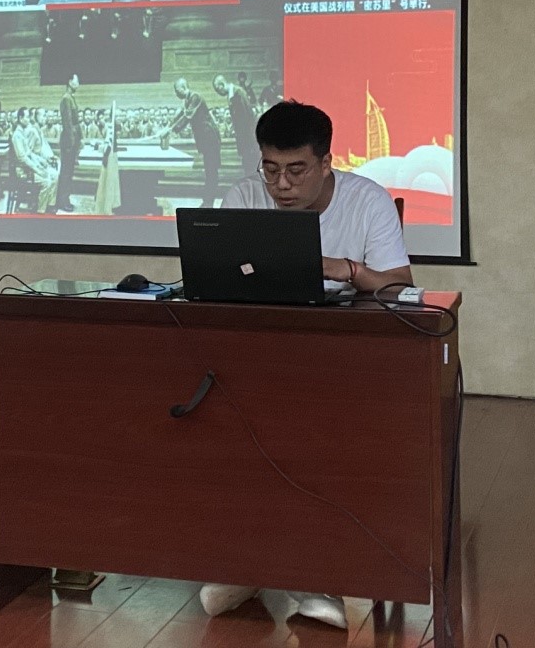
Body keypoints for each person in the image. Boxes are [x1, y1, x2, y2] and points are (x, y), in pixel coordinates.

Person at [199, 100, 412, 629]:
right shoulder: (243, 198)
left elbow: (398, 286)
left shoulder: (367, 200)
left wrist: (344, 269)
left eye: (296, 170)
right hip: (258, 355)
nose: (281, 185)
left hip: (342, 362)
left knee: (309, 434)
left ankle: (309, 575)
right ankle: (250, 562)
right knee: (220, 427)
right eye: (270, 169)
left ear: (325, 162)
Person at [158, 78, 221, 207]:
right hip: (205, 139)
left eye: (177, 90)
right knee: (209, 170)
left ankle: (208, 202)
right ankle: (207, 201)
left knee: (211, 170)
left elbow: (187, 116)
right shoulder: (187, 100)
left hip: (210, 138)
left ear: (183, 87)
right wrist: (167, 127)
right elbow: (179, 115)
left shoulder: (195, 97)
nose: (176, 93)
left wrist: (171, 130)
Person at [11, 107, 58, 213]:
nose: (29, 119)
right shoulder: (17, 135)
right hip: (22, 171)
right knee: (47, 181)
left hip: (28, 168)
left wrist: (41, 162)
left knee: (52, 175)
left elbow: (30, 153)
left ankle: (49, 206)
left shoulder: (22, 133)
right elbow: (22, 158)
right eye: (27, 117)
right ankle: (40, 211)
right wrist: (37, 169)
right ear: (20, 118)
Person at [212, 74, 259, 176]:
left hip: (248, 137)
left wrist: (246, 138)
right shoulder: (232, 95)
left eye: (218, 90)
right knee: (247, 166)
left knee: (251, 166)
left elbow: (247, 116)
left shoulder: (238, 93)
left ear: (221, 85)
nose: (218, 93)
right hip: (244, 137)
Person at [55, 74, 82, 212]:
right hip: (68, 141)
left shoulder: (71, 98)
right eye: (77, 81)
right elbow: (68, 123)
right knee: (66, 172)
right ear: (70, 82)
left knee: (69, 172)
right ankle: (62, 201)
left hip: (72, 140)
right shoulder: (66, 99)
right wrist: (72, 143)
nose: (78, 84)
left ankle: (65, 199)